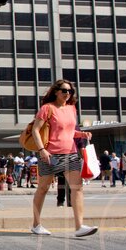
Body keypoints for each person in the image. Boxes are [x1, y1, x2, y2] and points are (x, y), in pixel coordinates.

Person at [29, 79, 97, 238]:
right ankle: (36, 224)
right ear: (56, 92)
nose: (68, 94)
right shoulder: (47, 108)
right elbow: (35, 130)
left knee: (77, 188)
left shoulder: (72, 109)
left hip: (71, 154)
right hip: (50, 155)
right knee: (43, 189)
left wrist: (82, 134)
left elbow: (69, 132)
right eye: (65, 91)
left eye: (70, 91)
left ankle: (79, 226)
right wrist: (42, 150)